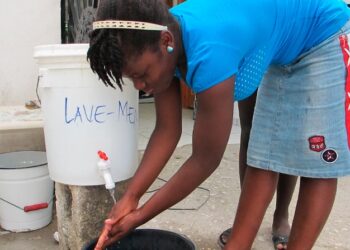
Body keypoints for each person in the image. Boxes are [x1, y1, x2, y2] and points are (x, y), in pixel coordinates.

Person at [87, 0, 350, 249]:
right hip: (285, 44)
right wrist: (131, 197)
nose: (141, 86)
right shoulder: (162, 39)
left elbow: (205, 160)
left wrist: (140, 216)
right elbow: (167, 130)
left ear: (166, 41)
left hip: (323, 33)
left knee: (317, 163)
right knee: (262, 159)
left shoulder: (210, 51)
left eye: (141, 75)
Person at [218, 91, 298, 250]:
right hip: (254, 66)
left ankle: (281, 215)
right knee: (249, 130)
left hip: (293, 68)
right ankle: (246, 219)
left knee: (289, 132)